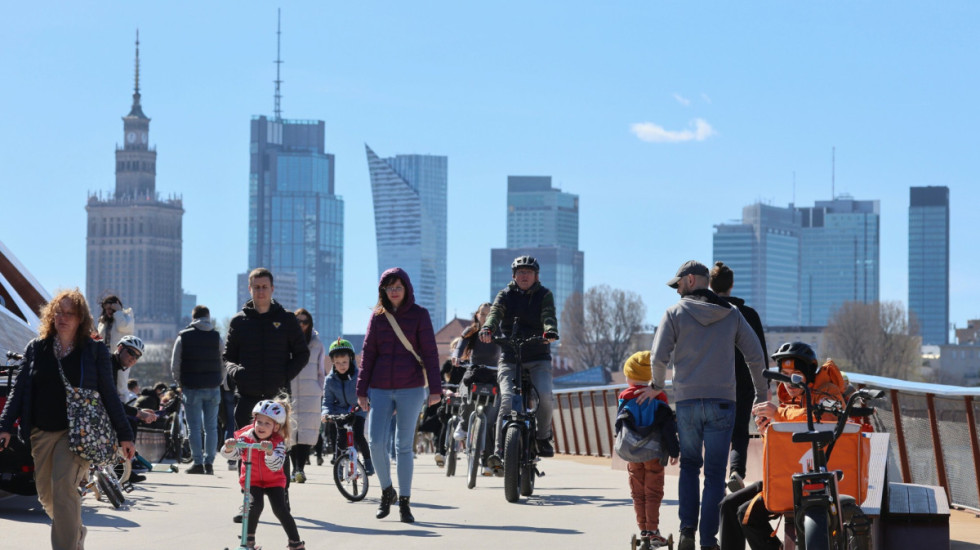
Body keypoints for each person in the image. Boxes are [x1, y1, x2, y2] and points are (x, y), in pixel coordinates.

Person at [643, 260, 767, 550]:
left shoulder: (674, 313)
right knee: (714, 474)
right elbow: (756, 356)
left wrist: (658, 385)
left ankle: (686, 532)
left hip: (686, 402)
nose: (677, 291)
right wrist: (762, 395)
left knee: (689, 466)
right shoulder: (731, 314)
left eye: (678, 285)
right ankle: (708, 540)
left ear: (689, 281)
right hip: (723, 403)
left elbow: (658, 356)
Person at [0, 289, 135, 550]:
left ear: (80, 318)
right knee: (46, 496)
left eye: (69, 314)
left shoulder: (94, 351)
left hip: (77, 434)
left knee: (63, 488)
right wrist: (5, 426)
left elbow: (109, 393)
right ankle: (75, 532)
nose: (62, 318)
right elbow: (19, 390)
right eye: (58, 313)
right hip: (40, 430)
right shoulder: (36, 348)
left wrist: (125, 434)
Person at [718, 342, 846, 550]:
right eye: (784, 374)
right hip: (786, 474)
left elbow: (824, 420)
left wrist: (778, 416)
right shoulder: (791, 400)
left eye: (795, 374)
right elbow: (785, 446)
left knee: (746, 515)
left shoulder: (827, 392)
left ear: (808, 372)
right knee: (728, 505)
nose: (789, 381)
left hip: (815, 477)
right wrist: (768, 431)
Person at [356, 267, 442, 523]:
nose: (394, 291)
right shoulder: (377, 317)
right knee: (375, 442)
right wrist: (361, 390)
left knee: (403, 446)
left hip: (411, 388)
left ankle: (404, 501)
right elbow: (368, 354)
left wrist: (435, 389)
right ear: (383, 290)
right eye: (389, 287)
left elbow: (430, 353)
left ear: (407, 289)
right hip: (379, 388)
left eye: (398, 287)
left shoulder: (420, 315)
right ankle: (386, 490)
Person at [480, 255, 559, 475]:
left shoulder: (545, 294)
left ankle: (543, 438)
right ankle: (497, 451)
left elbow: (548, 315)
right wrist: (488, 329)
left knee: (544, 395)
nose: (524, 276)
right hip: (510, 357)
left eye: (529, 272)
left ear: (536, 276)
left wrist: (550, 331)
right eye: (520, 272)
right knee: (506, 401)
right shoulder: (505, 295)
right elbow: (495, 313)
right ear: (514, 276)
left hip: (538, 355)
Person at [224, 268, 310, 430]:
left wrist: (284, 375)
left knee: (277, 453)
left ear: (272, 289)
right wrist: (238, 373)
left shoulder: (287, 319)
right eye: (256, 287)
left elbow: (302, 353)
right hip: (246, 397)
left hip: (277, 397)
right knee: (246, 451)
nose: (260, 291)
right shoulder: (239, 321)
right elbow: (228, 357)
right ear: (250, 289)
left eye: (264, 286)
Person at [709, 261, 768, 491]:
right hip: (744, 383)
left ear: (711, 286)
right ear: (732, 285)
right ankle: (736, 471)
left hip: (713, 383)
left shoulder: (707, 314)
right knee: (740, 431)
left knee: (716, 430)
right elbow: (760, 352)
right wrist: (765, 386)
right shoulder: (749, 314)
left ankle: (715, 476)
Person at [221, 398, 305, 550]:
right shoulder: (245, 437)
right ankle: (248, 540)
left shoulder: (278, 442)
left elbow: (276, 465)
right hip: (252, 480)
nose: (262, 426)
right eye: (259, 422)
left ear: (275, 426)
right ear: (254, 421)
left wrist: (269, 452)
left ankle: (295, 542)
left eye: (267, 423)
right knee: (254, 505)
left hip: (274, 481)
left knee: (280, 509)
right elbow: (234, 454)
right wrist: (229, 448)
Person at [619, 351, 680, 550]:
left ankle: (643, 531)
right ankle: (654, 532)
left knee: (637, 491)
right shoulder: (659, 397)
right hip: (654, 453)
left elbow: (620, 425)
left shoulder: (624, 397)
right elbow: (668, 426)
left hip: (633, 454)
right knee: (653, 491)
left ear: (631, 376)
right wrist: (674, 450)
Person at [171, 305, 224, 475]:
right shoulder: (217, 337)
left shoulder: (183, 337)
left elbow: (175, 364)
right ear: (208, 317)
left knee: (194, 428)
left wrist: (180, 383)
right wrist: (219, 380)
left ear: (193, 318)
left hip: (191, 387)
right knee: (212, 427)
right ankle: (209, 463)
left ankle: (198, 463)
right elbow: (224, 361)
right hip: (213, 387)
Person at [451, 303, 502, 474]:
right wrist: (456, 356)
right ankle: (464, 425)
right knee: (466, 390)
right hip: (475, 371)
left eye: (489, 314)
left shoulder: (498, 331)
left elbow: (508, 346)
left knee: (488, 420)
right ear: (477, 315)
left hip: (493, 374)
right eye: (483, 314)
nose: (486, 318)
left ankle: (487, 463)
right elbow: (460, 345)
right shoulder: (471, 331)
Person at [321, 338, 373, 475]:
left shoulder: (359, 375)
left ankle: (368, 462)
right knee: (341, 440)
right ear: (332, 362)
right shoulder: (330, 380)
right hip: (340, 411)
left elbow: (368, 391)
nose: (342, 365)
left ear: (351, 359)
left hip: (358, 408)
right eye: (337, 363)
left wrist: (367, 402)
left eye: (344, 362)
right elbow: (327, 401)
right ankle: (339, 467)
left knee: (359, 435)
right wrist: (326, 414)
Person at [289, 308, 327, 483]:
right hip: (289, 391)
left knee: (306, 432)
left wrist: (319, 388)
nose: (301, 325)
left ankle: (299, 469)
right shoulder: (286, 340)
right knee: (290, 432)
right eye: (298, 321)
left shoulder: (317, 343)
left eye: (305, 322)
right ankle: (293, 468)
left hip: (311, 392)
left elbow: (321, 370)